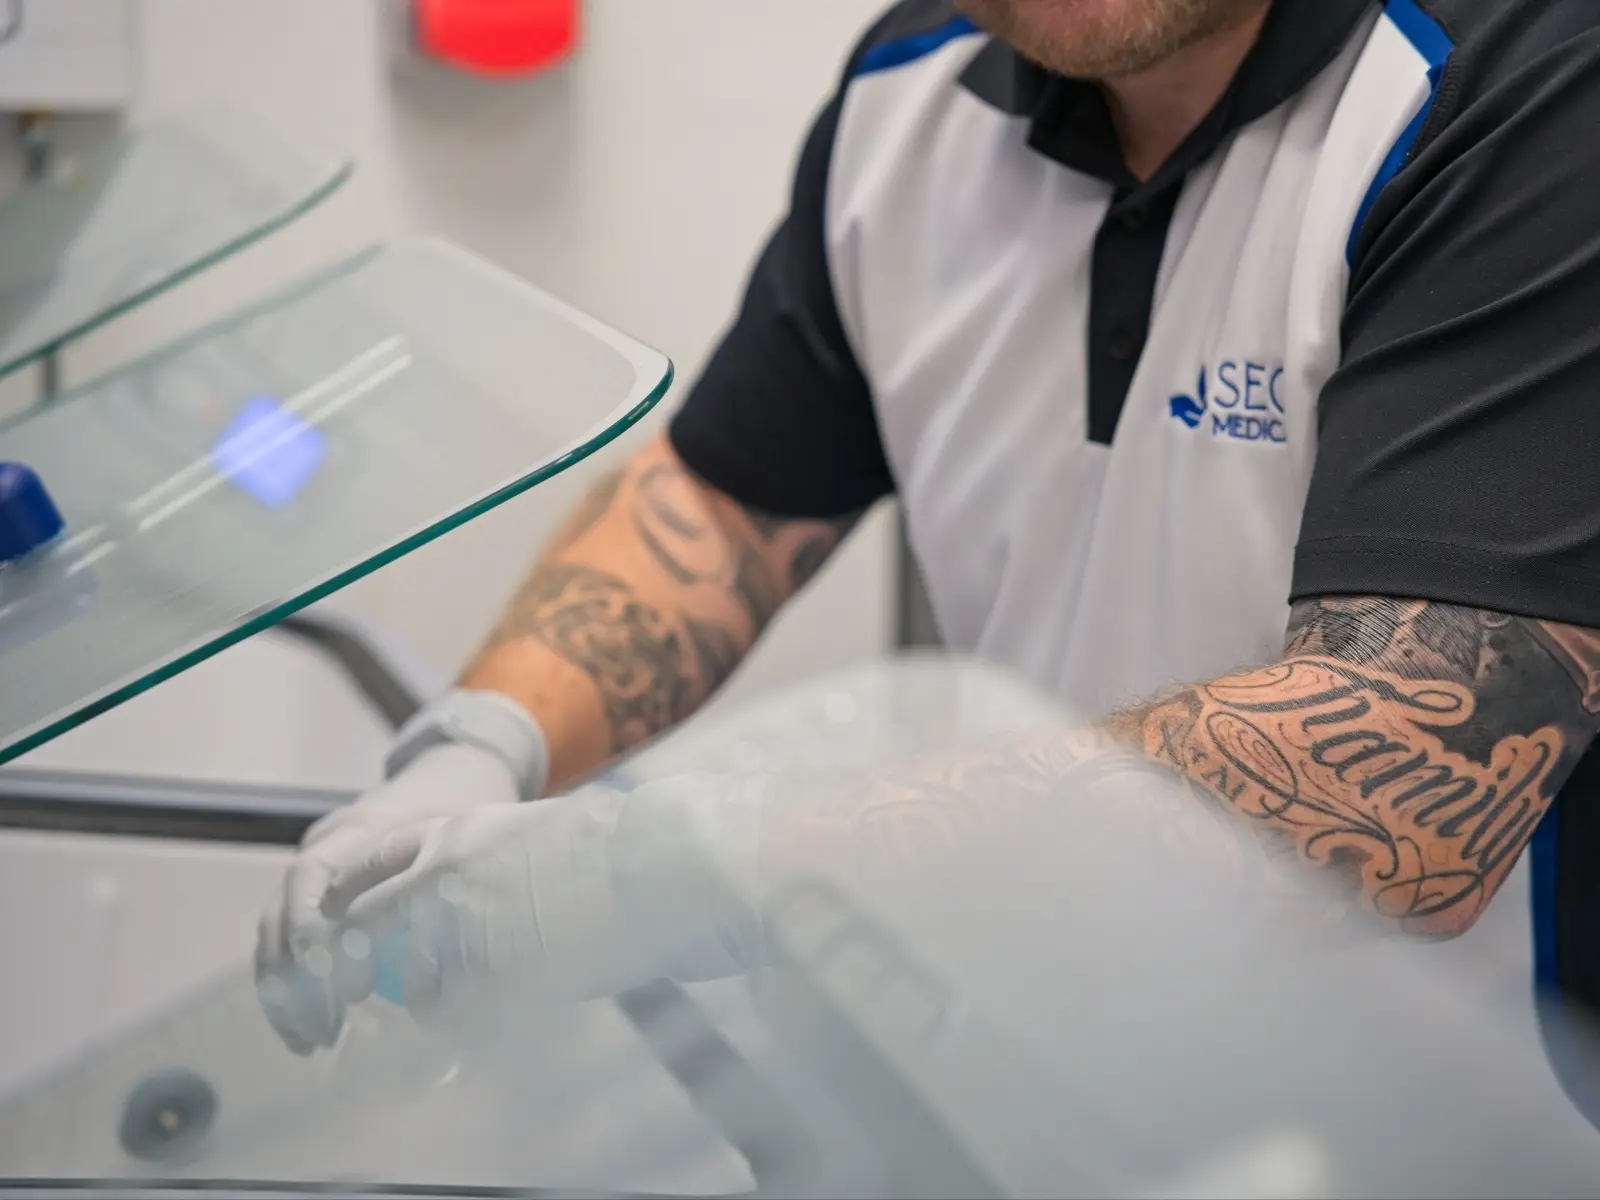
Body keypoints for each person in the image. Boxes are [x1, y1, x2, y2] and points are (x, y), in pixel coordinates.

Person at [257, 0, 1600, 1120]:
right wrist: (478, 745)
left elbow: (1423, 756)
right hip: (1029, 1089)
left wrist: (696, 871)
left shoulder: (1525, 88)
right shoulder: (911, 97)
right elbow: (725, 505)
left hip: (1439, 1132)